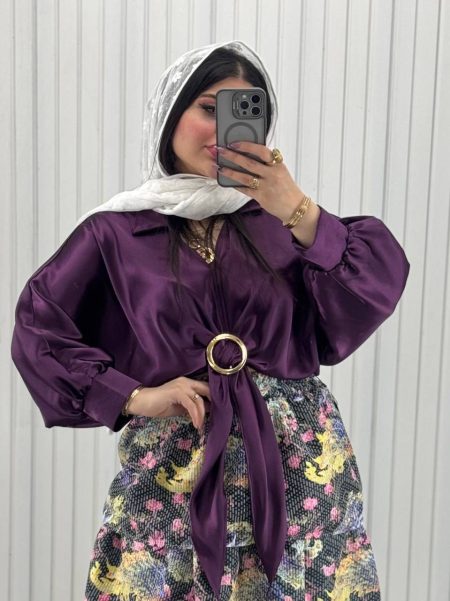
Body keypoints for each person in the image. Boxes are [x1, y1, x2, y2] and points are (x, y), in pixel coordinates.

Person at [10, 40, 409, 601]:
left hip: (298, 461)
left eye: (241, 112)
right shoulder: (116, 231)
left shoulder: (286, 222)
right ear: (170, 114)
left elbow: (377, 280)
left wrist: (296, 207)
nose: (222, 130)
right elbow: (39, 327)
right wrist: (132, 397)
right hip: (174, 463)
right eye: (206, 107)